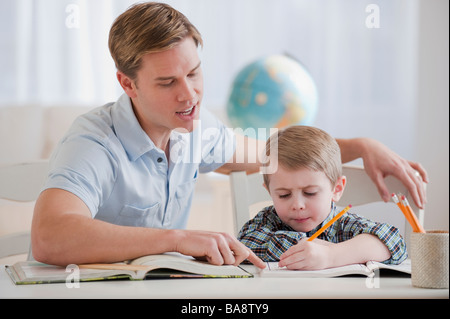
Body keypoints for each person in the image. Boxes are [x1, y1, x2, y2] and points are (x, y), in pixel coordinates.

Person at [31, 2, 425, 268]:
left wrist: (360, 146)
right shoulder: (94, 142)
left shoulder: (195, 133)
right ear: (127, 83)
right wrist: (176, 239)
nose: (190, 95)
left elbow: (277, 154)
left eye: (194, 73)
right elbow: (49, 237)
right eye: (168, 82)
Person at [238, 126, 407, 269]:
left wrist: (332, 255)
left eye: (310, 193)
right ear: (269, 192)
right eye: (284, 195)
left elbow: (394, 243)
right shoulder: (267, 220)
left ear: (337, 189)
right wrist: (307, 246)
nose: (297, 205)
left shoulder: (344, 225)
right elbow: (244, 244)